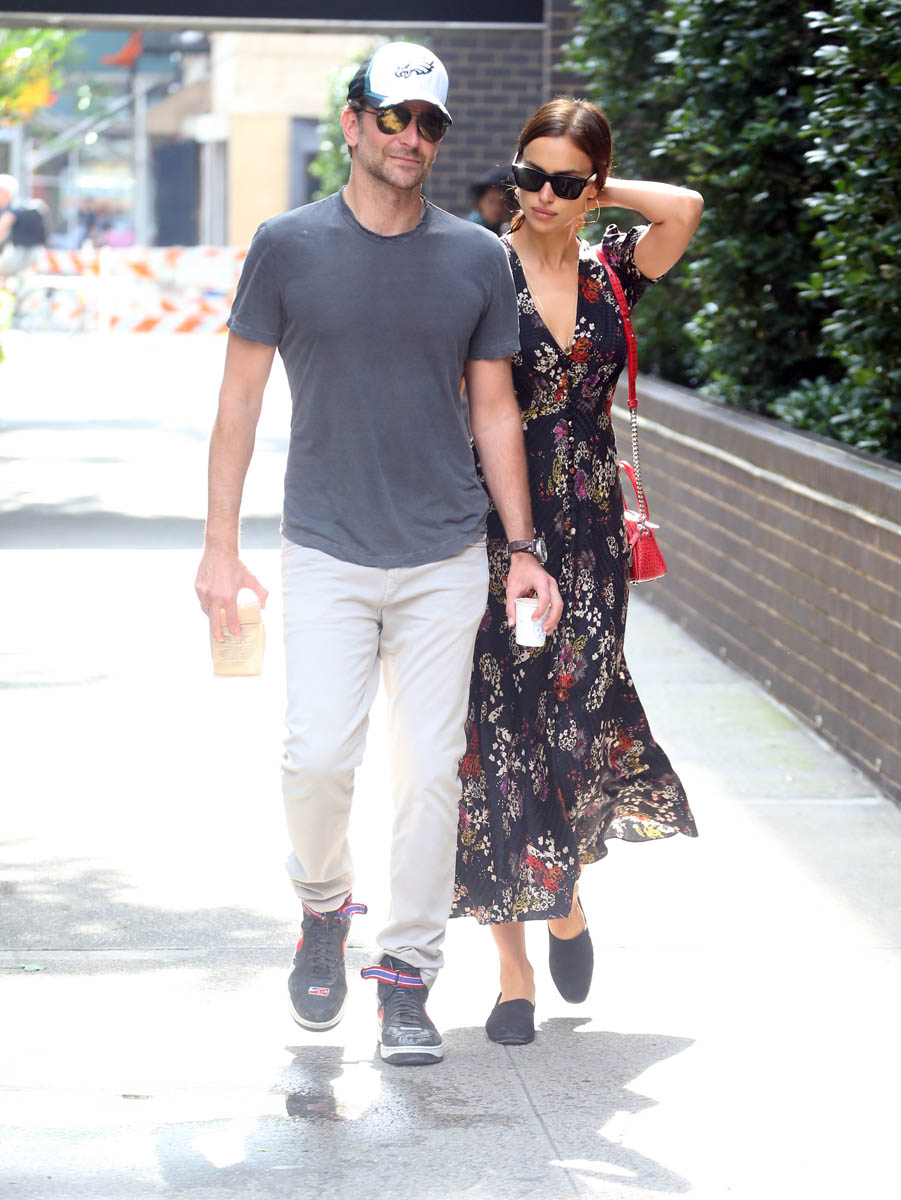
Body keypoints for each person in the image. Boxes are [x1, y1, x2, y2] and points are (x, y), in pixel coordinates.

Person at [194, 43, 563, 1068]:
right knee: (316, 757)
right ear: (353, 123)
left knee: (429, 774)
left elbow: (494, 411)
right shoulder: (286, 245)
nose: (411, 137)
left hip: (444, 553)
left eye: (428, 123)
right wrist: (219, 549)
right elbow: (238, 401)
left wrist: (521, 548)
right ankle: (323, 907)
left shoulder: (474, 257)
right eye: (393, 117)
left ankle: (406, 976)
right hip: (326, 546)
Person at [452, 98, 703, 1045]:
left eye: (566, 182)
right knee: (494, 738)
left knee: (572, 725)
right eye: (530, 176)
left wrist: (602, 191)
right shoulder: (479, 268)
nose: (544, 196)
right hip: (496, 532)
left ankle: (562, 897)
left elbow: (682, 208)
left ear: (590, 187)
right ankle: (511, 971)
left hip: (590, 539)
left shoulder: (611, 272)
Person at [0, 175, 47, 281]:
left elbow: (1, 230)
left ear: (4, 191)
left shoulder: (12, 209)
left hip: (22, 254)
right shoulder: (24, 205)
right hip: (37, 253)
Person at [466, 167, 514, 236]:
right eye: (491, 201)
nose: (497, 208)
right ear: (480, 201)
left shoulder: (508, 229)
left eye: (502, 203)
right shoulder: (469, 230)